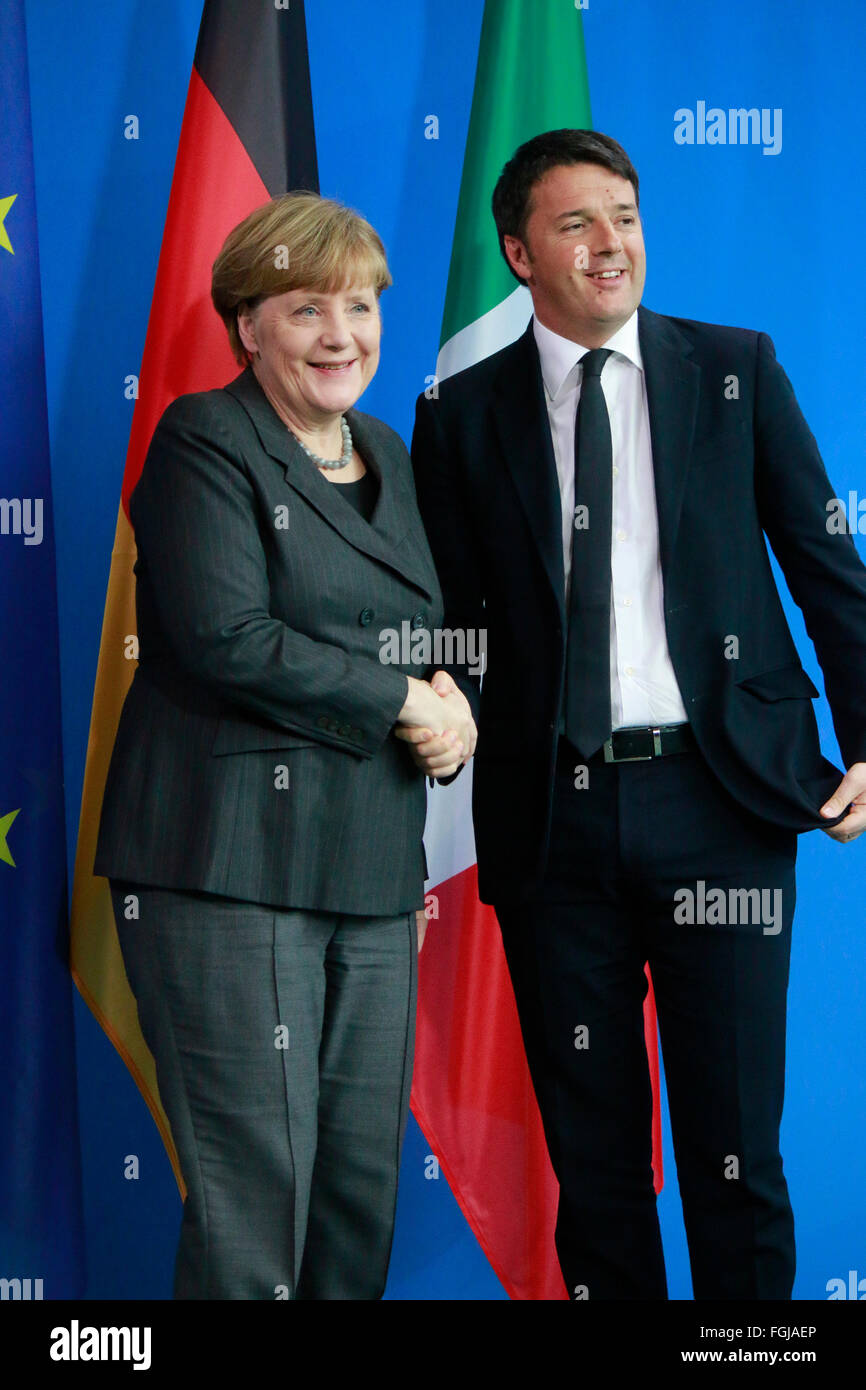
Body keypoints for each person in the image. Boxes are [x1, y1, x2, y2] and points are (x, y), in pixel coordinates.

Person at [408, 129, 866, 1300]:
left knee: (733, 1157)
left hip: (722, 801)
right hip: (550, 825)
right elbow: (453, 625)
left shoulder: (734, 367)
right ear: (517, 252)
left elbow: (828, 569)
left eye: (623, 216)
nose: (610, 245)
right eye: (574, 224)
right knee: (595, 1168)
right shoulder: (458, 414)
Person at [94, 191, 476, 1300]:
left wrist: (452, 699)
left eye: (358, 306)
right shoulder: (204, 440)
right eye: (307, 308)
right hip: (228, 868)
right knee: (255, 1193)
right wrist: (406, 702)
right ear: (246, 323)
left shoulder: (389, 452)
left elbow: (421, 631)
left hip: (367, 869)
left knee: (357, 1191)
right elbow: (226, 637)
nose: (341, 334)